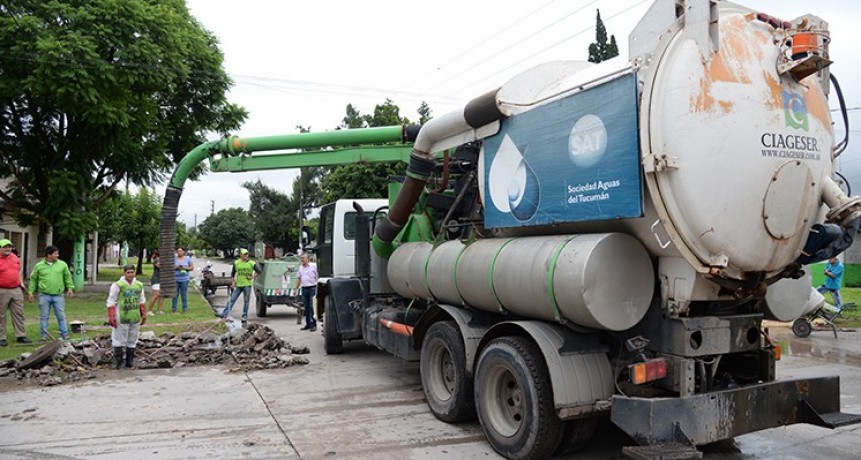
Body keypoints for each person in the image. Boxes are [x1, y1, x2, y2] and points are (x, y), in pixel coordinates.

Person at [27, 246, 75, 341]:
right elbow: (33, 280)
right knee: (44, 316)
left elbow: (67, 277)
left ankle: (64, 334)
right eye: (55, 254)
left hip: (58, 295)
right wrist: (31, 292)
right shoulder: (39, 266)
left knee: (61, 316)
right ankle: (43, 335)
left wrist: (70, 288)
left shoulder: (62, 265)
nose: (57, 255)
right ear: (49, 255)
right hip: (44, 295)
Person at [106, 264, 147, 369]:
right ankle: (118, 362)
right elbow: (111, 300)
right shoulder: (118, 285)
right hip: (121, 315)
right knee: (118, 338)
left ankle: (130, 361)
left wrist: (143, 314)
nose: (130, 275)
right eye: (128, 272)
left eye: (132, 272)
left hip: (134, 315)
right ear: (124, 273)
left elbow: (141, 300)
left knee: (132, 338)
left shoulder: (139, 285)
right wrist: (111, 316)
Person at [0, 239, 30, 346]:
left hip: (16, 289)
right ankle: (1, 337)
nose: (8, 249)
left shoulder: (14, 257)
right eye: (5, 247)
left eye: (9, 246)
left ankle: (21, 335)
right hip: (2, 289)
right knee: (1, 315)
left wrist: (21, 283)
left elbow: (18, 271)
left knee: (19, 313)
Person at [220, 248, 262, 324]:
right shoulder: (236, 263)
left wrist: (252, 277)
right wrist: (233, 282)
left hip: (247, 285)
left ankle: (244, 316)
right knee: (232, 299)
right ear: (241, 255)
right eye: (244, 254)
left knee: (246, 301)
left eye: (247, 254)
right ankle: (224, 314)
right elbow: (233, 274)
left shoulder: (252, 263)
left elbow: (259, 271)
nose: (246, 256)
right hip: (239, 285)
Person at [294, 253, 318, 332]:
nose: (302, 260)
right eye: (301, 258)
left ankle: (313, 324)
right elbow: (299, 279)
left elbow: (318, 276)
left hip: (312, 288)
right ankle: (308, 324)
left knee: (312, 307)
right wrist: (295, 289)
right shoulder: (300, 268)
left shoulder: (314, 266)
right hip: (304, 288)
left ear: (308, 259)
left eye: (303, 258)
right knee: (306, 307)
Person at [171, 246, 194, 313]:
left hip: (184, 279)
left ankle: (185, 308)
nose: (179, 252)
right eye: (178, 251)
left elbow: (192, 267)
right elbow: (171, 267)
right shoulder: (174, 258)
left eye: (180, 251)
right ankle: (174, 309)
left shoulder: (187, 258)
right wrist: (177, 267)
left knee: (183, 294)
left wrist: (185, 268)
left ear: (184, 252)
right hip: (175, 279)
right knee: (175, 294)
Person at [147, 249, 164, 315]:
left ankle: (159, 310)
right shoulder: (157, 259)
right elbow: (160, 267)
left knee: (161, 295)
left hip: (162, 279)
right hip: (156, 279)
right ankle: (149, 311)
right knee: (156, 295)